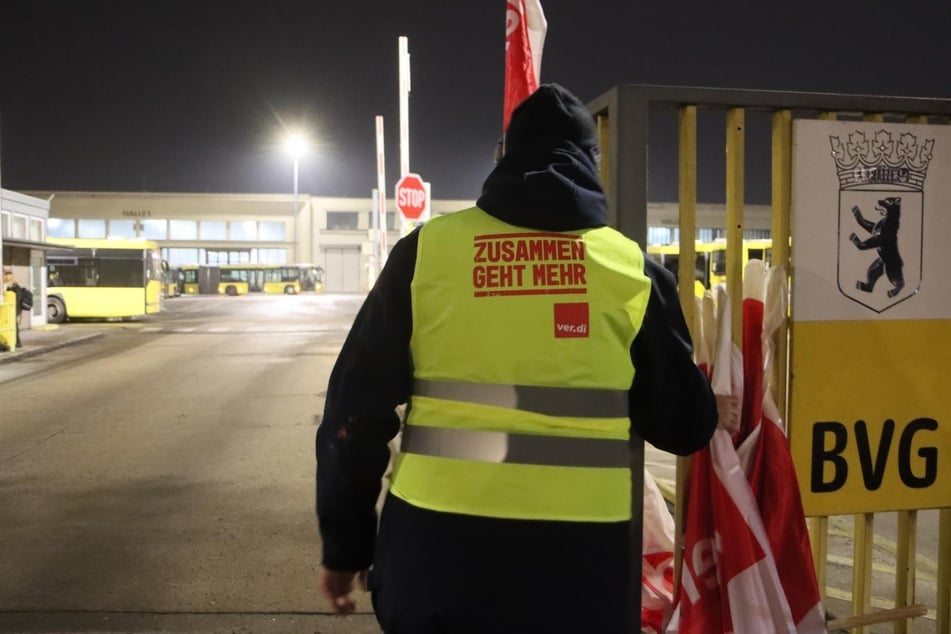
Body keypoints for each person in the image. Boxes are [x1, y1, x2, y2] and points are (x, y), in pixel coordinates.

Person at [316, 84, 723, 633]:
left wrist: (345, 548)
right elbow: (686, 427)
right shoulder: (633, 271)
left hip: (436, 557)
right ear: (590, 165)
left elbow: (352, 415)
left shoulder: (426, 253)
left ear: (503, 160)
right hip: (583, 566)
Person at [3, 270, 24, 349]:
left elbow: (17, 298)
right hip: (14, 308)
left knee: (13, 325)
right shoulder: (15, 286)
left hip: (13, 308)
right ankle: (17, 342)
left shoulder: (13, 287)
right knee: (13, 324)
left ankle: (16, 342)